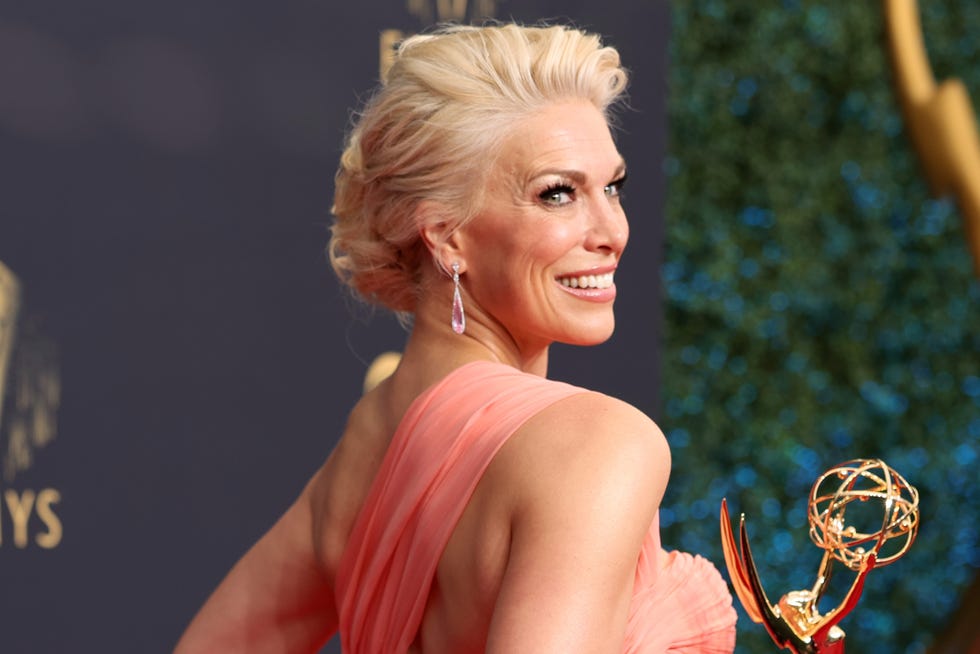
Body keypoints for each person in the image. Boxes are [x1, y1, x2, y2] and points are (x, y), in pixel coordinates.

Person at [175, 23, 736, 653]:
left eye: (612, 187)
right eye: (558, 194)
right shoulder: (599, 445)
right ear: (447, 236)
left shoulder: (370, 434)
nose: (612, 230)